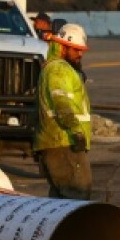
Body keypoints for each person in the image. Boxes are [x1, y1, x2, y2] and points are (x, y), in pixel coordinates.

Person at [35, 23, 92, 199]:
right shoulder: (59, 69)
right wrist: (76, 131)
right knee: (77, 193)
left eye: (81, 50)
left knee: (60, 200)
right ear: (62, 47)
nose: (80, 54)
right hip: (64, 141)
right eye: (75, 50)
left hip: (58, 141)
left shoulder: (56, 67)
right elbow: (62, 104)